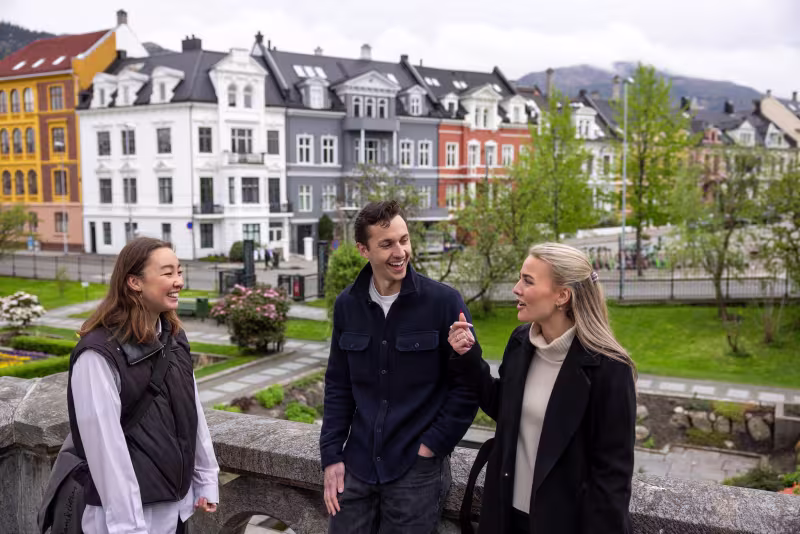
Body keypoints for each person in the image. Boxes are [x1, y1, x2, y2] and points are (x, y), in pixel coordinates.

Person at [449, 242, 636, 534]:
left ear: (562, 295)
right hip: (505, 516)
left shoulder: (610, 368)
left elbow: (612, 476)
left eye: (528, 281)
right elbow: (505, 410)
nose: (516, 289)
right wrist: (469, 358)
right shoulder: (521, 342)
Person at [321, 200, 478, 534]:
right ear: (363, 249)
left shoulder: (445, 302)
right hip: (357, 466)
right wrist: (331, 455)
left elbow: (468, 387)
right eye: (387, 244)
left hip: (416, 471)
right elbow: (338, 385)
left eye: (404, 240)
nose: (400, 252)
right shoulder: (347, 305)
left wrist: (432, 446)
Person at [69, 237, 219, 533]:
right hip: (126, 522)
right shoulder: (97, 354)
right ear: (134, 282)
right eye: (167, 273)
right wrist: (129, 526)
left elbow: (192, 412)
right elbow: (105, 450)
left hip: (176, 511)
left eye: (179, 272)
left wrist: (205, 479)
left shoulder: (174, 338)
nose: (178, 281)